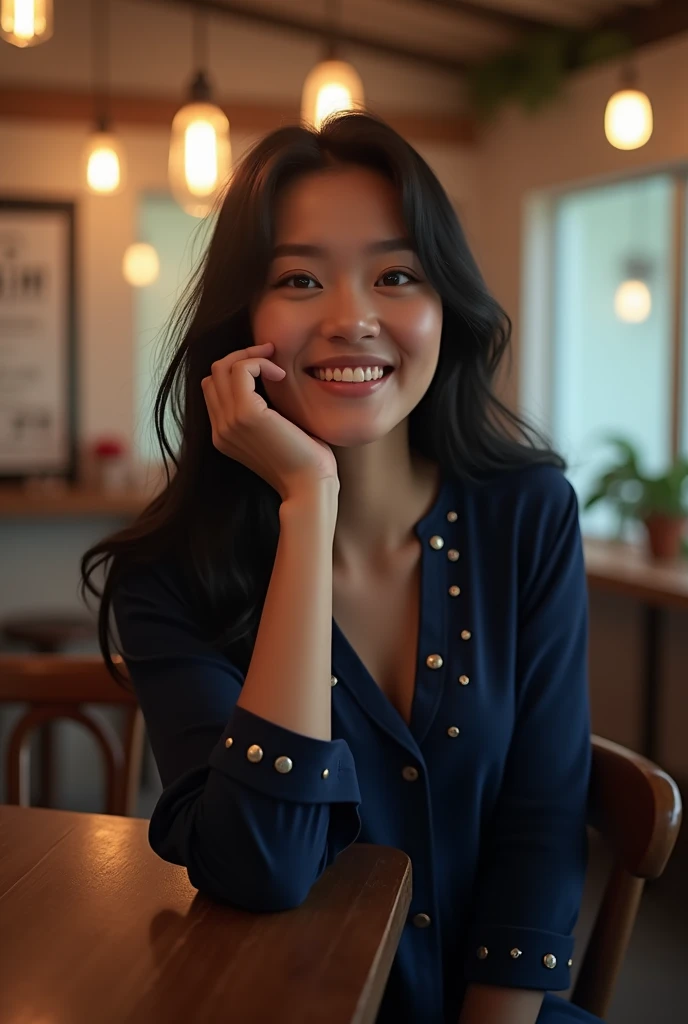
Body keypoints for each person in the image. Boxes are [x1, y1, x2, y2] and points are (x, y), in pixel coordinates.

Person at [80, 111, 599, 1024]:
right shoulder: (171, 579)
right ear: (244, 322)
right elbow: (262, 866)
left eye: (397, 275)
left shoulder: (528, 514)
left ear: (447, 309)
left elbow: (541, 825)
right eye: (299, 278)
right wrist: (307, 504)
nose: (353, 316)